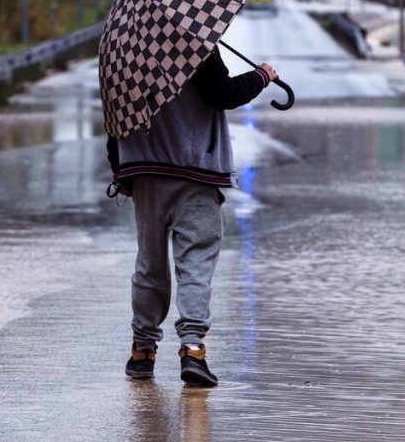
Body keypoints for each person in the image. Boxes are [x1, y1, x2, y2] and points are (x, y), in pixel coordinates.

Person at [106, 45, 278, 387]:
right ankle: (193, 349)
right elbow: (221, 94)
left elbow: (116, 114)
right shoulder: (193, 42)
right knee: (195, 262)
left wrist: (120, 169)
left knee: (150, 263)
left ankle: (142, 351)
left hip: (145, 168)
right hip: (196, 170)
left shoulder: (125, 51)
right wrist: (262, 76)